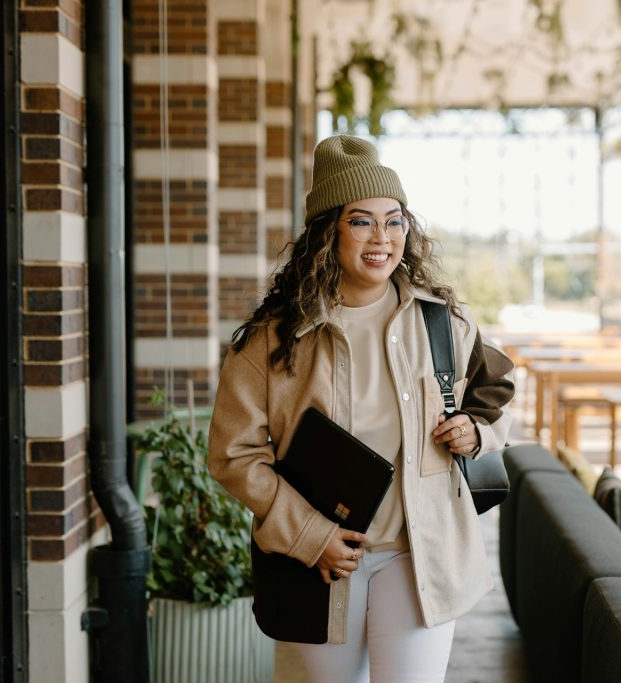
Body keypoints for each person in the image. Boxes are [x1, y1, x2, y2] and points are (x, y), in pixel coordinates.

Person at [207, 134, 514, 682]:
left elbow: (493, 397)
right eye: (361, 221)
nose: (383, 238)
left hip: (418, 556)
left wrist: (475, 432)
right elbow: (234, 455)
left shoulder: (442, 322)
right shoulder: (275, 340)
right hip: (318, 564)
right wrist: (310, 536)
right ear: (328, 233)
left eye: (394, 221)